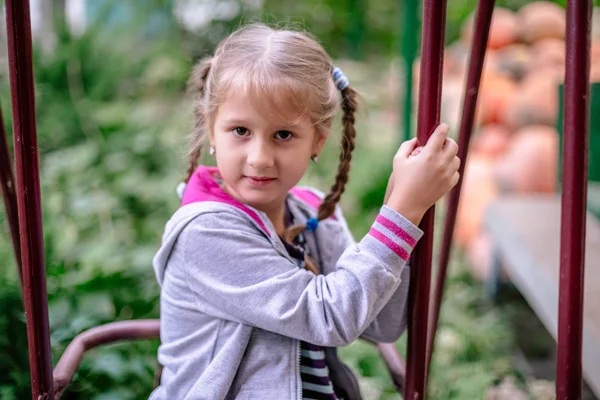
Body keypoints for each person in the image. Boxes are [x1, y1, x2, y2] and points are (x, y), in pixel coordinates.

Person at [150, 23, 460, 400]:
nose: (259, 158)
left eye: (283, 135)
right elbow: (329, 317)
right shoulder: (206, 232)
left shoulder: (311, 214)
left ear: (317, 140)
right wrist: (401, 212)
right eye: (240, 131)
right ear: (211, 131)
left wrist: (401, 199)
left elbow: (381, 324)